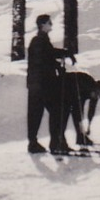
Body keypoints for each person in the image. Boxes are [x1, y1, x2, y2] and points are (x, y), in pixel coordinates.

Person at [26, 14, 72, 154]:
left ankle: (40, 143)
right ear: (43, 25)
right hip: (42, 84)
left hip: (37, 83)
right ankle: (54, 143)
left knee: (37, 113)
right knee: (55, 111)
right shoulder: (39, 41)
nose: (51, 25)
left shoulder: (41, 40)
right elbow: (45, 58)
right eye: (49, 23)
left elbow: (49, 54)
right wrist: (57, 64)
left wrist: (63, 54)